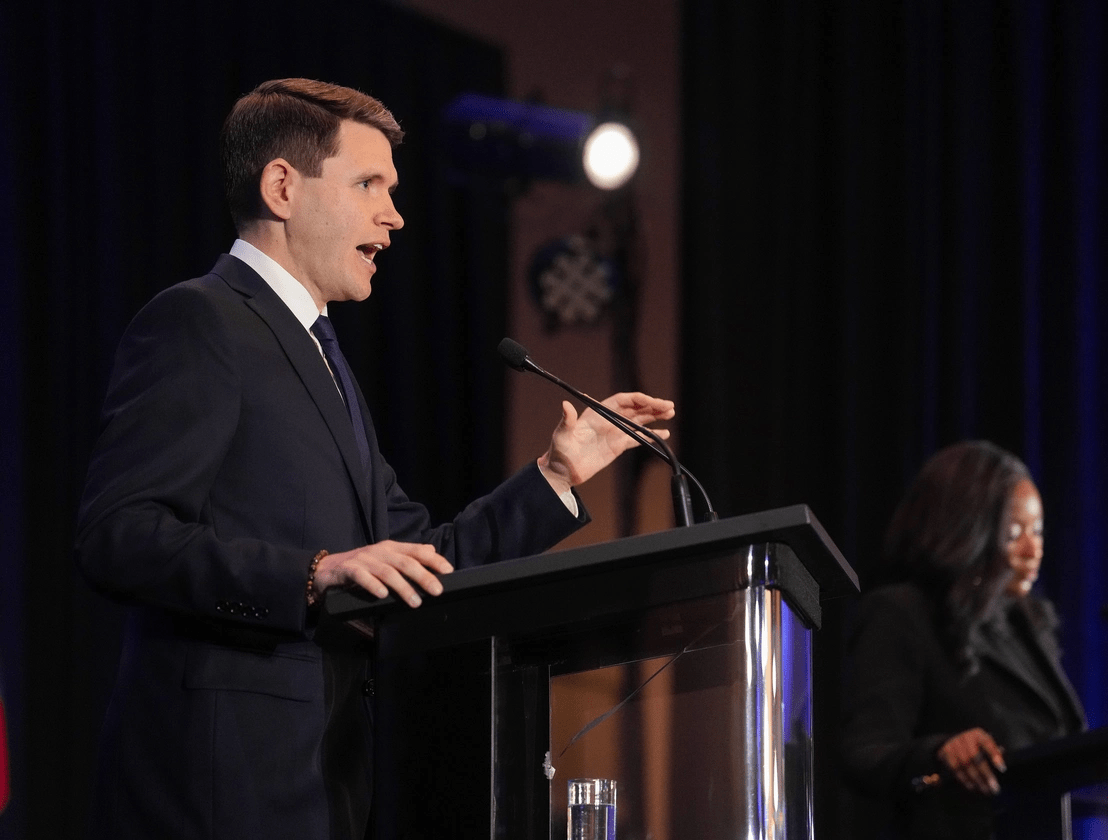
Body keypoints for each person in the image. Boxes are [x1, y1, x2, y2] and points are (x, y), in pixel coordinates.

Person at [74, 78, 676, 840]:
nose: (394, 215)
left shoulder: (322, 357)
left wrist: (554, 480)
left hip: (320, 792)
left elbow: (418, 560)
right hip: (216, 795)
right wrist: (310, 575)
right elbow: (119, 536)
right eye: (369, 185)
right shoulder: (199, 321)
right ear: (282, 188)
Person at [833, 440, 1086, 840]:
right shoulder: (903, 613)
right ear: (970, 530)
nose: (1032, 549)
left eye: (1037, 530)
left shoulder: (1029, 625)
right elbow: (864, 755)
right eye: (1014, 532)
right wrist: (940, 752)